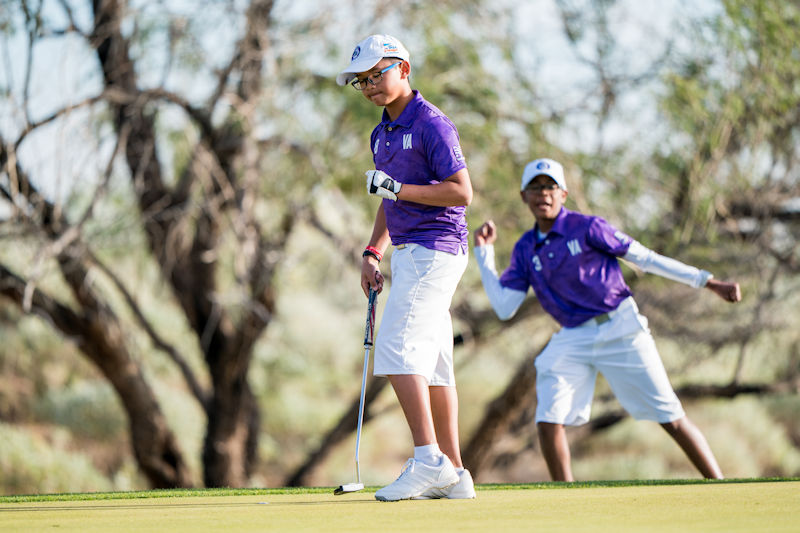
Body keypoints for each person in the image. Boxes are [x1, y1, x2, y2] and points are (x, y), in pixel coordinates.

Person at [473, 157, 742, 481]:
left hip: (620, 326)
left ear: (563, 195)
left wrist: (707, 281)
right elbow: (504, 307)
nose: (542, 194)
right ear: (523, 196)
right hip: (573, 335)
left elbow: (645, 257)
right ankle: (567, 498)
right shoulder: (525, 248)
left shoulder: (587, 227)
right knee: (548, 418)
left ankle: (720, 484)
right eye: (535, 188)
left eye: (549, 187)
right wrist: (484, 254)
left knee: (670, 416)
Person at [337, 34, 476, 501]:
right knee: (434, 365)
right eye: (362, 81)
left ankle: (427, 460)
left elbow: (461, 192)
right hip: (412, 251)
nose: (370, 85)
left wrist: (398, 187)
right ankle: (455, 472)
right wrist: (373, 252)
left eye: (378, 74)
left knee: (396, 347)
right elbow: (387, 198)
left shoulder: (432, 124)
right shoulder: (381, 132)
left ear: (404, 68)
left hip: (436, 247)